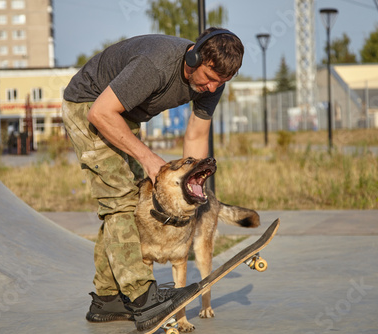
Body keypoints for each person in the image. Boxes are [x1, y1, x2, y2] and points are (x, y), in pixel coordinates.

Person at [62, 27, 244, 331]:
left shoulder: (214, 82)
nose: (213, 88)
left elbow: (196, 134)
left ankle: (107, 299)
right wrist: (148, 158)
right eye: (210, 78)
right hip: (89, 105)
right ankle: (143, 298)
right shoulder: (156, 65)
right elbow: (99, 113)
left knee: (130, 200)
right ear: (196, 56)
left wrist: (193, 183)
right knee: (120, 200)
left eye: (221, 83)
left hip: (124, 115)